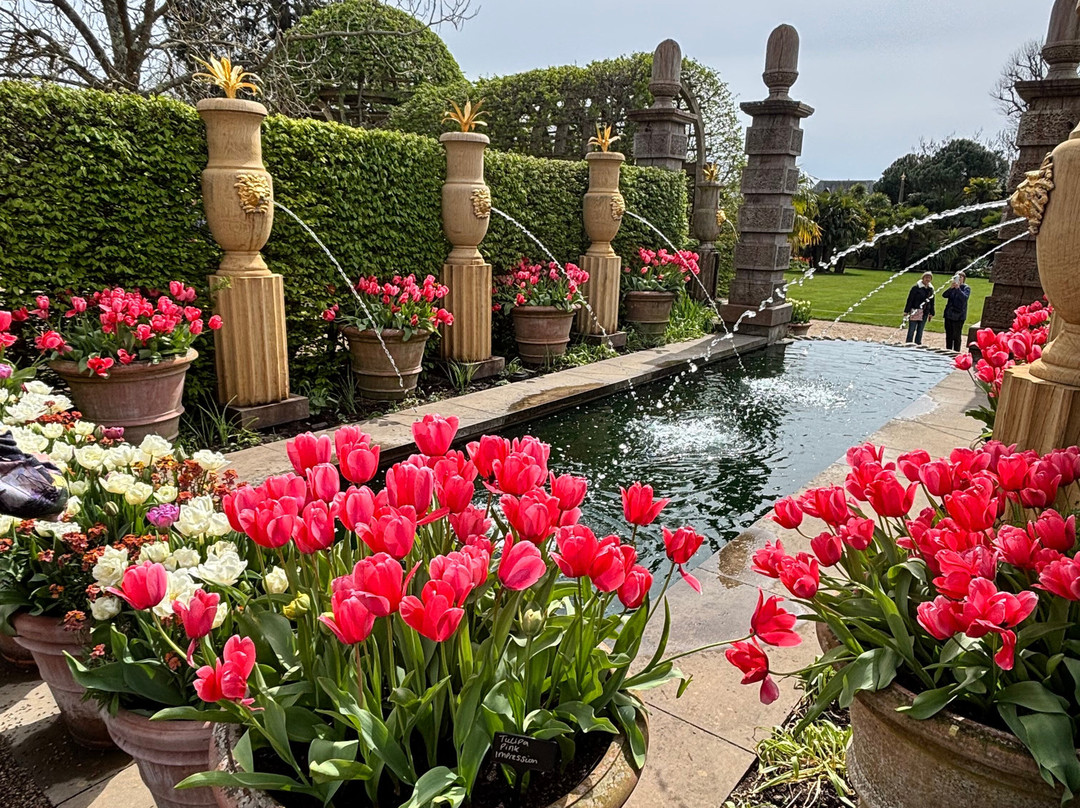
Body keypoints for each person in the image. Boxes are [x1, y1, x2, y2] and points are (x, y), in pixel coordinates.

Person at [941, 271, 972, 352]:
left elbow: (964, 298)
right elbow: (944, 295)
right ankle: (948, 350)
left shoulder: (966, 288)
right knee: (949, 335)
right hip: (949, 314)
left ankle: (956, 352)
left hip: (959, 316)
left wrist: (958, 289)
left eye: (960, 278)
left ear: (964, 279)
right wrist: (951, 288)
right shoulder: (952, 288)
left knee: (956, 335)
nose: (958, 279)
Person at [904, 272, 936, 345]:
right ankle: (908, 343)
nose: (927, 279)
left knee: (920, 330)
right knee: (911, 329)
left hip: (925, 312)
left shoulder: (931, 289)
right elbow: (910, 299)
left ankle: (918, 344)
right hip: (915, 310)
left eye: (929, 278)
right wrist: (906, 310)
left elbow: (932, 301)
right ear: (923, 278)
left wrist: (932, 312)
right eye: (926, 277)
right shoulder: (916, 288)